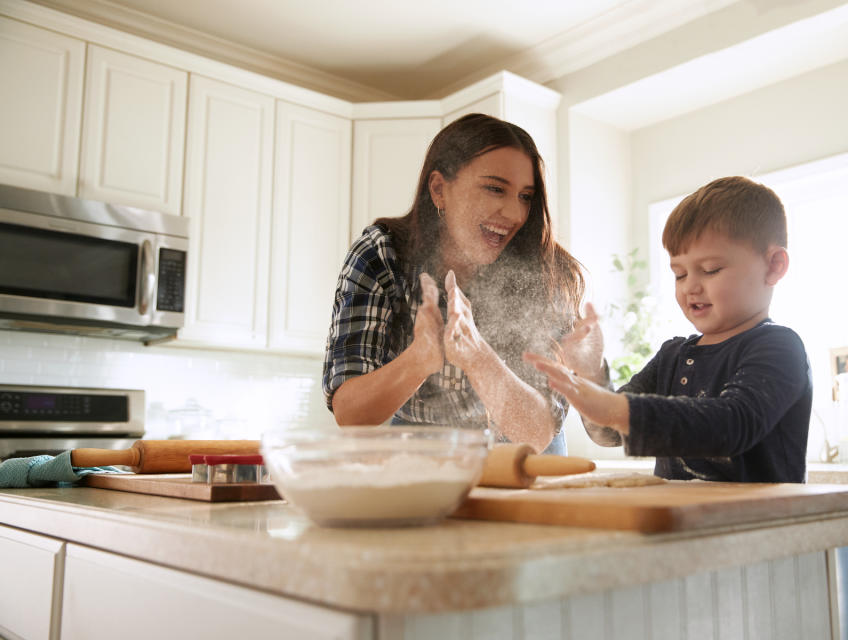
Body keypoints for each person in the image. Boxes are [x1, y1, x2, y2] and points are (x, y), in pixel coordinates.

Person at [322, 113, 585, 454]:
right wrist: (417, 360)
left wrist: (477, 357)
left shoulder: (547, 273)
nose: (515, 214)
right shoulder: (382, 255)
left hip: (522, 449)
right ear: (439, 189)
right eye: (495, 189)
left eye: (525, 196)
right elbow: (350, 413)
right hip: (421, 443)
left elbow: (537, 433)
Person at [524, 176, 812, 482]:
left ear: (774, 266)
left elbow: (731, 426)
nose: (691, 287)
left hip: (761, 527)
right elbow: (608, 431)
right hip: (687, 526)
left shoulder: (780, 348)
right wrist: (591, 373)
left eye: (711, 270)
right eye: (679, 274)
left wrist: (617, 409)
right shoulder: (673, 356)